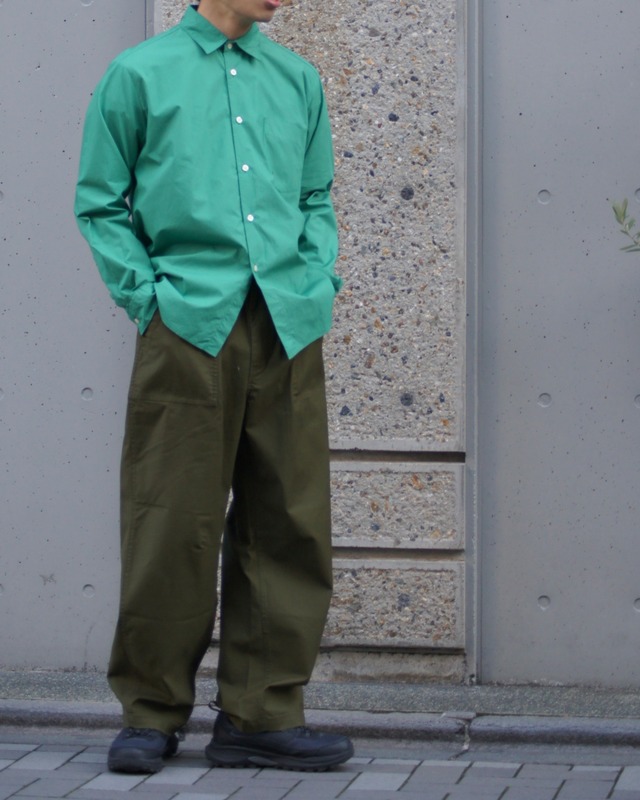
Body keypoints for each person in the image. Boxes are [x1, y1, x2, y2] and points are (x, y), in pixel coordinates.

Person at [74, 0, 353, 775]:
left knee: (289, 520)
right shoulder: (138, 75)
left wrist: (316, 283)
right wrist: (148, 300)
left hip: (287, 323)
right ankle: (151, 712)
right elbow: (100, 201)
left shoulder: (297, 79)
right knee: (172, 518)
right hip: (189, 325)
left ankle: (260, 716)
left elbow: (315, 198)